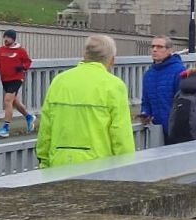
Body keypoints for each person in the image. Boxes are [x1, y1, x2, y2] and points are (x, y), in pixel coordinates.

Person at [35, 35, 135, 168]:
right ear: (112, 60)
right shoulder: (114, 86)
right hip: (98, 166)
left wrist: (44, 163)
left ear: (85, 55)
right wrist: (127, 168)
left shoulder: (59, 81)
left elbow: (46, 129)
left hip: (59, 164)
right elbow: (121, 135)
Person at [0, 29, 34, 137]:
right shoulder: (0, 50)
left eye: (8, 37)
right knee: (14, 102)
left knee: (7, 100)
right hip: (5, 79)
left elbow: (28, 62)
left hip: (16, 78)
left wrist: (22, 67)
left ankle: (5, 128)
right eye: (4, 37)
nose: (5, 39)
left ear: (13, 39)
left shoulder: (20, 51)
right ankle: (28, 116)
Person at [140, 36, 185, 135]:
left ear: (169, 50)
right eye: (153, 46)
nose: (155, 50)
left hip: (176, 129)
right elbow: (145, 101)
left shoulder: (179, 71)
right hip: (156, 129)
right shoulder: (148, 74)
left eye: (159, 47)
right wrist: (145, 113)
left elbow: (183, 101)